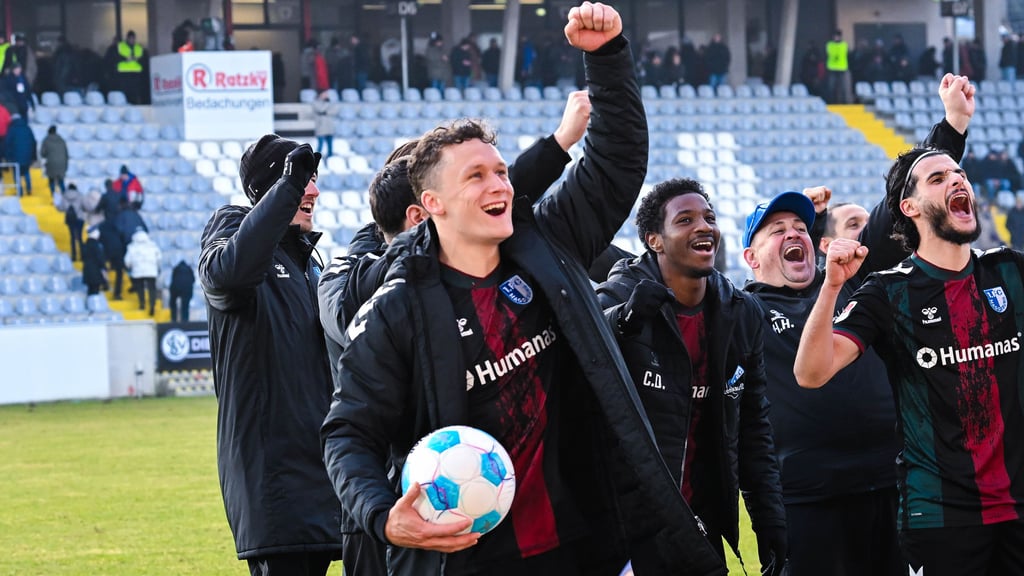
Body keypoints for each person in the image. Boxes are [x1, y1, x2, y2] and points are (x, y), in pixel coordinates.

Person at [320, 3, 725, 575]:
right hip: (473, 559)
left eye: (502, 172)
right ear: (431, 205)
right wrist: (383, 514)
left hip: (586, 546)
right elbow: (348, 432)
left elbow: (617, 161)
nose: (499, 185)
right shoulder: (397, 308)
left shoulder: (549, 244)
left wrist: (606, 58)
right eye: (476, 176)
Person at [741, 74, 973, 576]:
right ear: (749, 258)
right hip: (807, 498)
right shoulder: (741, 310)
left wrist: (952, 127)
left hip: (893, 483)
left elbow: (900, 208)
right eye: (777, 230)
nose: (794, 234)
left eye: (802, 227)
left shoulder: (851, 283)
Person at [793, 136, 1024, 575]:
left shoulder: (1010, 269)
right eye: (938, 178)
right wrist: (832, 286)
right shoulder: (888, 291)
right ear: (910, 208)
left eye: (961, 175)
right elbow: (811, 372)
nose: (958, 182)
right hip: (940, 517)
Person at [595, 178, 788, 575]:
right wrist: (623, 322)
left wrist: (769, 519)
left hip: (700, 526)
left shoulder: (741, 312)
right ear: (655, 241)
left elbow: (752, 429)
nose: (704, 227)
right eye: (685, 220)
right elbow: (583, 346)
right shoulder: (622, 296)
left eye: (709, 217)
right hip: (625, 528)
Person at [199, 135, 343, 574]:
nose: (313, 191)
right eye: (302, 181)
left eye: (314, 180)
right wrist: (287, 188)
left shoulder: (310, 264)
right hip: (276, 480)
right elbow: (231, 274)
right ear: (270, 190)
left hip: (322, 471)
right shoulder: (228, 232)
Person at [123, 230, 161, 315]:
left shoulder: (132, 247)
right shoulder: (152, 246)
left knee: (140, 289)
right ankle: (152, 305)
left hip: (137, 272)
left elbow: (127, 260)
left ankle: (142, 304)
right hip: (151, 271)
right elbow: (159, 258)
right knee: (152, 289)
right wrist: (157, 267)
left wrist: (129, 267)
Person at [4, 113, 35, 196]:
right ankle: (29, 189)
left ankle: (20, 191)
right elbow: (33, 142)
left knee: (16, 173)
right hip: (27, 156)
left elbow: (7, 143)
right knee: (26, 172)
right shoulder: (27, 128)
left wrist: (7, 157)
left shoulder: (12, 129)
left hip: (15, 156)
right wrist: (33, 156)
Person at [39, 125, 68, 197]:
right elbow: (66, 153)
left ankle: (53, 196)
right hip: (62, 163)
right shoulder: (61, 140)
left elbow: (42, 153)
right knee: (61, 181)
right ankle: (64, 196)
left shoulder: (46, 140)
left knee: (51, 180)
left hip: (51, 164)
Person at [825, 29, 851, 104]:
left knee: (843, 87)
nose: (835, 38)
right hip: (832, 68)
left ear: (840, 37)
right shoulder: (829, 44)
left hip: (842, 68)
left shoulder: (844, 45)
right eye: (834, 36)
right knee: (831, 87)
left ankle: (844, 102)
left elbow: (848, 55)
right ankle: (831, 102)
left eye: (837, 36)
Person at [61, 183, 85, 262]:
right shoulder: (80, 195)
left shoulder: (65, 195)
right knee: (80, 237)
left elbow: (62, 207)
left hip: (70, 219)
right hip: (80, 218)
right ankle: (82, 256)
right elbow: (84, 206)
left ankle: (74, 256)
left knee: (72, 237)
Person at [82, 227, 108, 297]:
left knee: (90, 291)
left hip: (87, 271)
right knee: (95, 291)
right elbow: (100, 259)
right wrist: (104, 268)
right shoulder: (97, 245)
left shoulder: (85, 245)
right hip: (96, 271)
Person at [312, 90, 334, 158]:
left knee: (330, 145)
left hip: (329, 126)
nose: (326, 95)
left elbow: (334, 111)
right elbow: (321, 110)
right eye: (324, 94)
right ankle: (316, 159)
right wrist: (326, 104)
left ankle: (330, 158)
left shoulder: (330, 102)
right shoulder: (315, 102)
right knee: (320, 144)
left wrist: (326, 112)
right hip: (320, 126)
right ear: (320, 94)